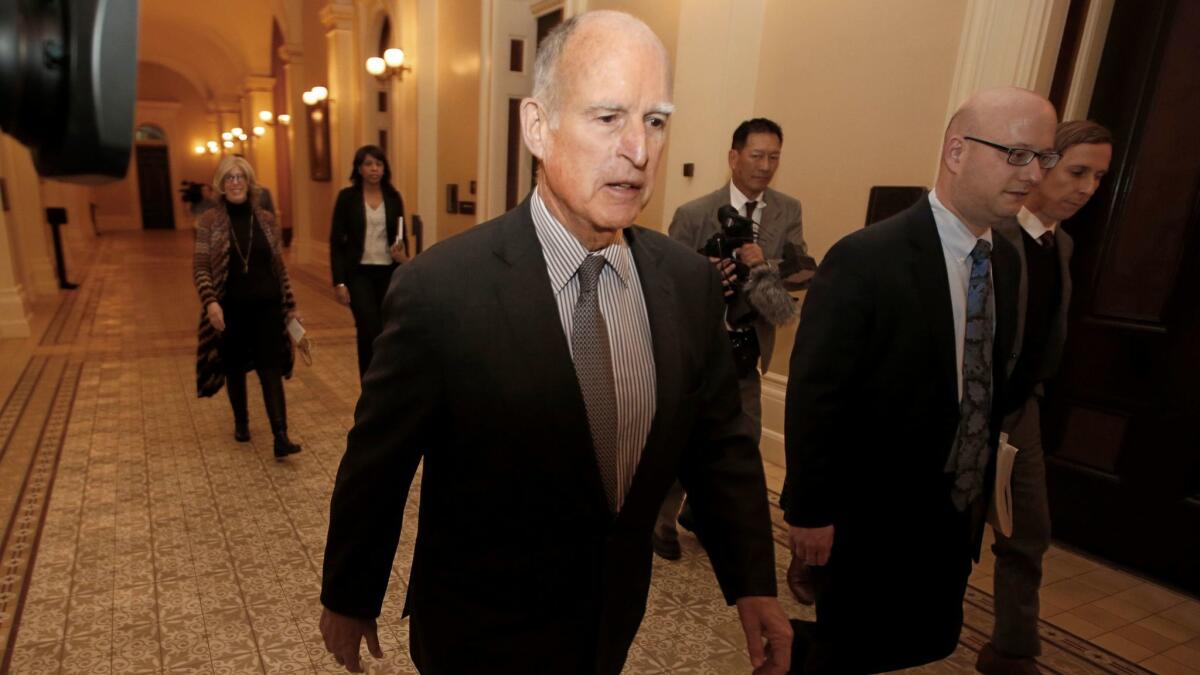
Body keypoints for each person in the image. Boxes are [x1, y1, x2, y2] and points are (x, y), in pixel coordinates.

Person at [319, 11, 791, 675]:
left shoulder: (685, 284)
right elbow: (378, 463)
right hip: (476, 632)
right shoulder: (441, 291)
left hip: (609, 620)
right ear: (536, 127)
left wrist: (752, 581)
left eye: (655, 120)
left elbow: (719, 444)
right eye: (608, 117)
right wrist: (349, 594)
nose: (639, 149)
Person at [783, 87, 1057, 673]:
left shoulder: (1005, 260)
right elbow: (817, 393)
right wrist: (809, 512)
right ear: (956, 152)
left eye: (1043, 158)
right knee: (849, 650)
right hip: (871, 521)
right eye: (1016, 154)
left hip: (951, 515)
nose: (1033, 174)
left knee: (924, 641)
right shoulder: (867, 257)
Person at [976, 120, 1112, 675]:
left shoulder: (1063, 245)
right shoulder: (991, 236)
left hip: (1020, 412)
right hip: (965, 409)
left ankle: (1012, 649)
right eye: (1078, 171)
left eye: (1099, 177)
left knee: (1028, 533)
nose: (1087, 188)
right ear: (1042, 164)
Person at [653, 117, 814, 561]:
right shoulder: (694, 213)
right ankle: (663, 517)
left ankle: (705, 516)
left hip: (748, 345)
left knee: (740, 442)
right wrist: (704, 272)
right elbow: (664, 282)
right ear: (734, 157)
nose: (765, 166)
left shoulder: (787, 210)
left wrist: (767, 263)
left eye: (774, 157)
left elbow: (802, 271)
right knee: (685, 436)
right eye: (757, 156)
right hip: (699, 345)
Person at [193, 155, 302, 460]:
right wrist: (211, 302)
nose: (236, 183)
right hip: (230, 310)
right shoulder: (210, 222)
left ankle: (280, 435)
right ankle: (241, 421)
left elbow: (278, 267)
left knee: (271, 369)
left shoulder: (266, 220)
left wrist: (290, 306)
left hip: (267, 309)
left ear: (250, 183)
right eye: (230, 178)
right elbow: (201, 266)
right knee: (234, 369)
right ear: (221, 185)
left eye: (241, 177)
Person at [329, 145, 409, 377]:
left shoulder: (393, 197)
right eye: (369, 164)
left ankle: (385, 377)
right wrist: (339, 282)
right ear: (359, 169)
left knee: (386, 328)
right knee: (368, 327)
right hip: (359, 273)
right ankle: (369, 380)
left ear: (384, 168)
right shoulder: (347, 198)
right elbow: (336, 242)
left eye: (379, 164)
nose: (374, 169)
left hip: (388, 271)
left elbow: (402, 237)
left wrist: (402, 256)